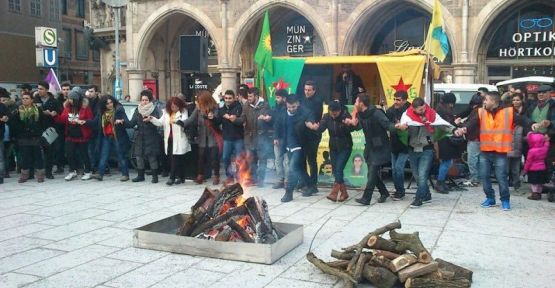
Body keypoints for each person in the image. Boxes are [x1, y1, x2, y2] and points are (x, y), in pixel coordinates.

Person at [455, 92, 543, 211]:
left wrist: (532, 124)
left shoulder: (509, 112)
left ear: (494, 101)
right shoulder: (480, 111)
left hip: (500, 151)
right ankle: (490, 198)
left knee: (501, 177)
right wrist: (463, 129)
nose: (484, 102)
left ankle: (505, 200)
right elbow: (471, 123)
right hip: (485, 150)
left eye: (486, 100)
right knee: (484, 176)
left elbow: (523, 120)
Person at [397, 98, 455, 208]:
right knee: (417, 175)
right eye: (420, 110)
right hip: (412, 148)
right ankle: (427, 194)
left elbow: (442, 124)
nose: (423, 111)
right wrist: (402, 127)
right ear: (413, 109)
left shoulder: (432, 114)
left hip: (427, 148)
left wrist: (454, 130)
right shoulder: (407, 116)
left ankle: (418, 198)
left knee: (423, 174)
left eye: (424, 108)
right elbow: (403, 127)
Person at [346, 93, 396, 205]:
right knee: (372, 173)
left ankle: (366, 198)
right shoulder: (360, 114)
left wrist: (397, 127)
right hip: (369, 146)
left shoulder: (376, 113)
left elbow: (387, 125)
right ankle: (384, 192)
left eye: (356, 101)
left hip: (381, 146)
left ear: (361, 103)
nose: (354, 104)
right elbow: (357, 127)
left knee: (372, 171)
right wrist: (350, 123)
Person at [310, 100, 356, 202]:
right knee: (336, 170)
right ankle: (344, 193)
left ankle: (334, 193)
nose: (333, 115)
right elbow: (321, 128)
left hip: (345, 147)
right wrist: (315, 128)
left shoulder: (345, 116)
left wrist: (349, 124)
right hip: (333, 147)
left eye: (335, 113)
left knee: (339, 169)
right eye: (331, 112)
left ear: (340, 111)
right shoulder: (326, 117)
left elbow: (353, 128)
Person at [274, 94, 315, 202]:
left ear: (298, 104)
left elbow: (311, 119)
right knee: (300, 168)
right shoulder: (283, 112)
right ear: (286, 104)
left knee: (292, 168)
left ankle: (288, 193)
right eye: (289, 107)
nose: (291, 109)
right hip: (288, 145)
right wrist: (276, 137)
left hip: (300, 146)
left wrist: (311, 125)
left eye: (294, 107)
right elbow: (277, 124)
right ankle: (311, 186)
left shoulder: (305, 112)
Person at [86, 95, 130, 181]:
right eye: (107, 104)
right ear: (103, 105)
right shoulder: (102, 112)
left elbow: (127, 123)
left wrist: (121, 121)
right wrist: (84, 121)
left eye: (111, 102)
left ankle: (125, 174)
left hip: (117, 136)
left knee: (120, 155)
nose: (110, 105)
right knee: (104, 155)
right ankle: (100, 174)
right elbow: (94, 122)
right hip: (106, 136)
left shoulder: (119, 110)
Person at [182, 90, 222, 185]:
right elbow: (191, 119)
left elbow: (216, 120)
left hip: (213, 135)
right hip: (202, 135)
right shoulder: (198, 108)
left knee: (214, 158)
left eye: (199, 99)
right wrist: (182, 123)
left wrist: (210, 118)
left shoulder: (215, 107)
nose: (197, 101)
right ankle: (200, 175)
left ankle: (216, 176)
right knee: (201, 157)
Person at [149, 96, 191, 185]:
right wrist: (151, 119)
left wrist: (178, 121)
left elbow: (184, 121)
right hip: (169, 139)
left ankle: (174, 177)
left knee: (177, 158)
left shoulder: (183, 112)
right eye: (172, 106)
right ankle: (178, 177)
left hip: (179, 139)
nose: (174, 108)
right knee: (174, 158)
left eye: (176, 106)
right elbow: (160, 122)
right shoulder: (166, 113)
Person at [55, 87, 94, 181]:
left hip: (82, 134)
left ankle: (88, 171)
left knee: (84, 154)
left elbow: (90, 120)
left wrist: (83, 121)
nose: (70, 101)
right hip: (70, 134)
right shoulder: (67, 107)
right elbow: (62, 119)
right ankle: (72, 171)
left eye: (72, 99)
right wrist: (55, 116)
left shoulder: (85, 108)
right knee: (69, 153)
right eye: (69, 99)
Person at [126, 89, 163, 184]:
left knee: (151, 156)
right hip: (140, 135)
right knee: (138, 156)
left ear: (150, 100)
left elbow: (158, 122)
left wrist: (150, 120)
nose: (144, 102)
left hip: (151, 135)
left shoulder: (154, 109)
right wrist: (123, 121)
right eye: (142, 100)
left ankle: (155, 177)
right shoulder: (138, 109)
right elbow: (132, 123)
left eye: (146, 100)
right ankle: (140, 176)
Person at [12, 91, 47, 183]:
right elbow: (15, 123)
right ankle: (24, 175)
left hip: (36, 136)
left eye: (27, 98)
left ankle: (40, 176)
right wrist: (21, 131)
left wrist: (39, 131)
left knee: (38, 156)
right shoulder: (18, 110)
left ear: (32, 100)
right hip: (23, 137)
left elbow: (42, 122)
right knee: (25, 157)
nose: (24, 100)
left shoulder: (38, 109)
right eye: (23, 98)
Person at [242, 88, 272, 187]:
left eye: (250, 96)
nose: (248, 98)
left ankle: (261, 179)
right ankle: (253, 178)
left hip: (262, 137)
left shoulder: (265, 105)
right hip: (250, 137)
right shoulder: (246, 105)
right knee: (251, 160)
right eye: (248, 96)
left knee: (262, 159)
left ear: (256, 96)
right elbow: (243, 117)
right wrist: (236, 120)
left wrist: (267, 119)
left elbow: (271, 119)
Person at [215, 90, 245, 186]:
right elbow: (217, 122)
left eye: (229, 98)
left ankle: (240, 176)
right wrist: (212, 118)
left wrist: (234, 119)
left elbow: (241, 121)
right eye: (226, 98)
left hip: (238, 138)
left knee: (239, 158)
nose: (227, 100)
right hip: (227, 138)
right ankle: (229, 177)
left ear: (234, 98)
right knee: (225, 158)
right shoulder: (221, 109)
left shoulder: (239, 107)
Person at [34, 80, 63, 179]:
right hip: (37, 128)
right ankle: (37, 172)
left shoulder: (54, 101)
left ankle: (48, 172)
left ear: (46, 90)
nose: (39, 91)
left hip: (50, 129)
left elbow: (60, 112)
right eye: (38, 89)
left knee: (49, 151)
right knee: (37, 151)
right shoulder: (35, 100)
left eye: (41, 89)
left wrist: (54, 113)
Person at [386, 91, 411, 200]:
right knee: (394, 169)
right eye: (395, 99)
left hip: (406, 144)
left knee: (399, 168)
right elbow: (387, 124)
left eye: (398, 99)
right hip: (394, 143)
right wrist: (395, 126)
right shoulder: (390, 111)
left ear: (405, 100)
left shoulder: (410, 110)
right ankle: (398, 190)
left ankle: (400, 191)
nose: (396, 101)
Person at [435, 93, 461, 194]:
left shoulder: (441, 110)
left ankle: (442, 182)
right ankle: (440, 183)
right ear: (448, 103)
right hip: (444, 139)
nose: (452, 106)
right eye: (451, 103)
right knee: (446, 162)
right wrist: (456, 123)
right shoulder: (442, 112)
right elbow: (446, 126)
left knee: (447, 162)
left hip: (444, 139)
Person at [455, 93, 483, 187]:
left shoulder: (476, 111)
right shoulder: (483, 110)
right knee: (478, 159)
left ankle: (474, 179)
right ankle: (477, 178)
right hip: (481, 138)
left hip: (474, 138)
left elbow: (472, 123)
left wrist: (461, 125)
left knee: (472, 159)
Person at [301, 80, 324, 194]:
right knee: (302, 159)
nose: (307, 92)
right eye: (305, 89)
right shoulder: (302, 100)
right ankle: (305, 182)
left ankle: (313, 184)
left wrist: (305, 121)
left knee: (312, 160)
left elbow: (313, 117)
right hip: (303, 134)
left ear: (314, 90)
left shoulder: (317, 102)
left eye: (309, 90)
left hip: (313, 134)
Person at [522, 132, 550, 200]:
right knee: (540, 183)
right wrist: (546, 140)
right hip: (542, 168)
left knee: (534, 183)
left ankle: (534, 194)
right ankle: (539, 194)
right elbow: (547, 144)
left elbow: (528, 162)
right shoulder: (544, 148)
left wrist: (525, 170)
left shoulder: (531, 151)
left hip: (533, 169)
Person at [507, 94, 525, 192]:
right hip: (510, 147)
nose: (516, 102)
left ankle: (516, 184)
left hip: (517, 147)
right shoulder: (509, 111)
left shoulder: (525, 111)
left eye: (518, 100)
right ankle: (512, 183)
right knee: (509, 168)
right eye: (514, 100)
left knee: (515, 168)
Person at [272, 89, 288, 189]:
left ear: (284, 98)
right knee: (278, 159)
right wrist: (275, 137)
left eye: (278, 97)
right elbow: (275, 124)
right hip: (278, 137)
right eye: (276, 97)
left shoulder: (289, 107)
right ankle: (280, 179)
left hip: (287, 138)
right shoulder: (275, 108)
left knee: (287, 160)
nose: (276, 99)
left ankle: (287, 180)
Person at [0, 87, 9, 184]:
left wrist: (6, 118)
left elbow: (8, 115)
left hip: (0, 134)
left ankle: (1, 176)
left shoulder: (2, 106)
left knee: (1, 157)